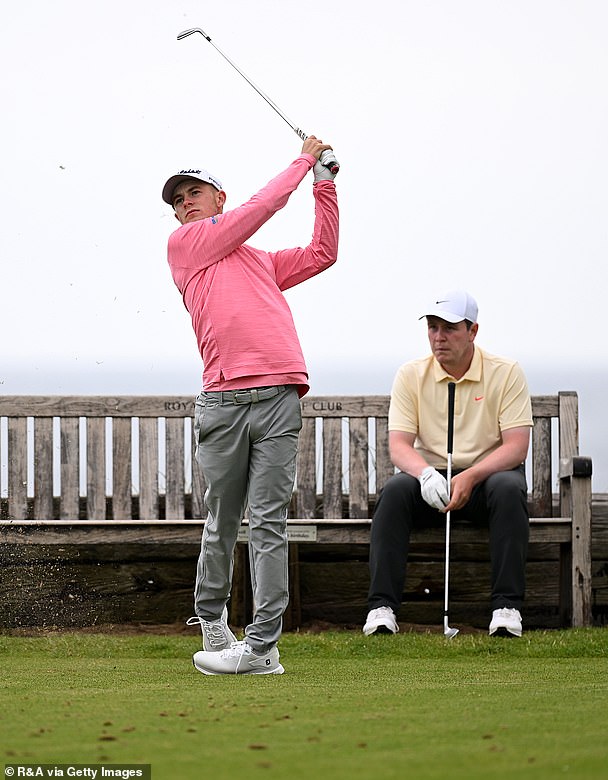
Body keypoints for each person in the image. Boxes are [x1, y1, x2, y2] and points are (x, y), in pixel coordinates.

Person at [162, 136, 339, 674]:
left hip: (280, 395)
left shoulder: (258, 260)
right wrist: (304, 159)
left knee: (268, 523)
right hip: (224, 401)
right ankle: (212, 618)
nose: (185, 204)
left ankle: (263, 647)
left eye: (195, 193)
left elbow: (322, 254)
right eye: (177, 200)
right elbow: (262, 207)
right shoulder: (187, 245)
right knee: (222, 519)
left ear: (219, 197)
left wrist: (325, 184)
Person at [363, 290, 533, 638]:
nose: (439, 338)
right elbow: (399, 446)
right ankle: (382, 609)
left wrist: (471, 476)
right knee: (395, 491)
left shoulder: (506, 373)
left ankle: (507, 608)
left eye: (450, 329)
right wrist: (425, 474)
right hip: (433, 482)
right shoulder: (411, 375)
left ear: (473, 331)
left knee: (509, 488)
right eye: (433, 328)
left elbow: (516, 447)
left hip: (487, 479)